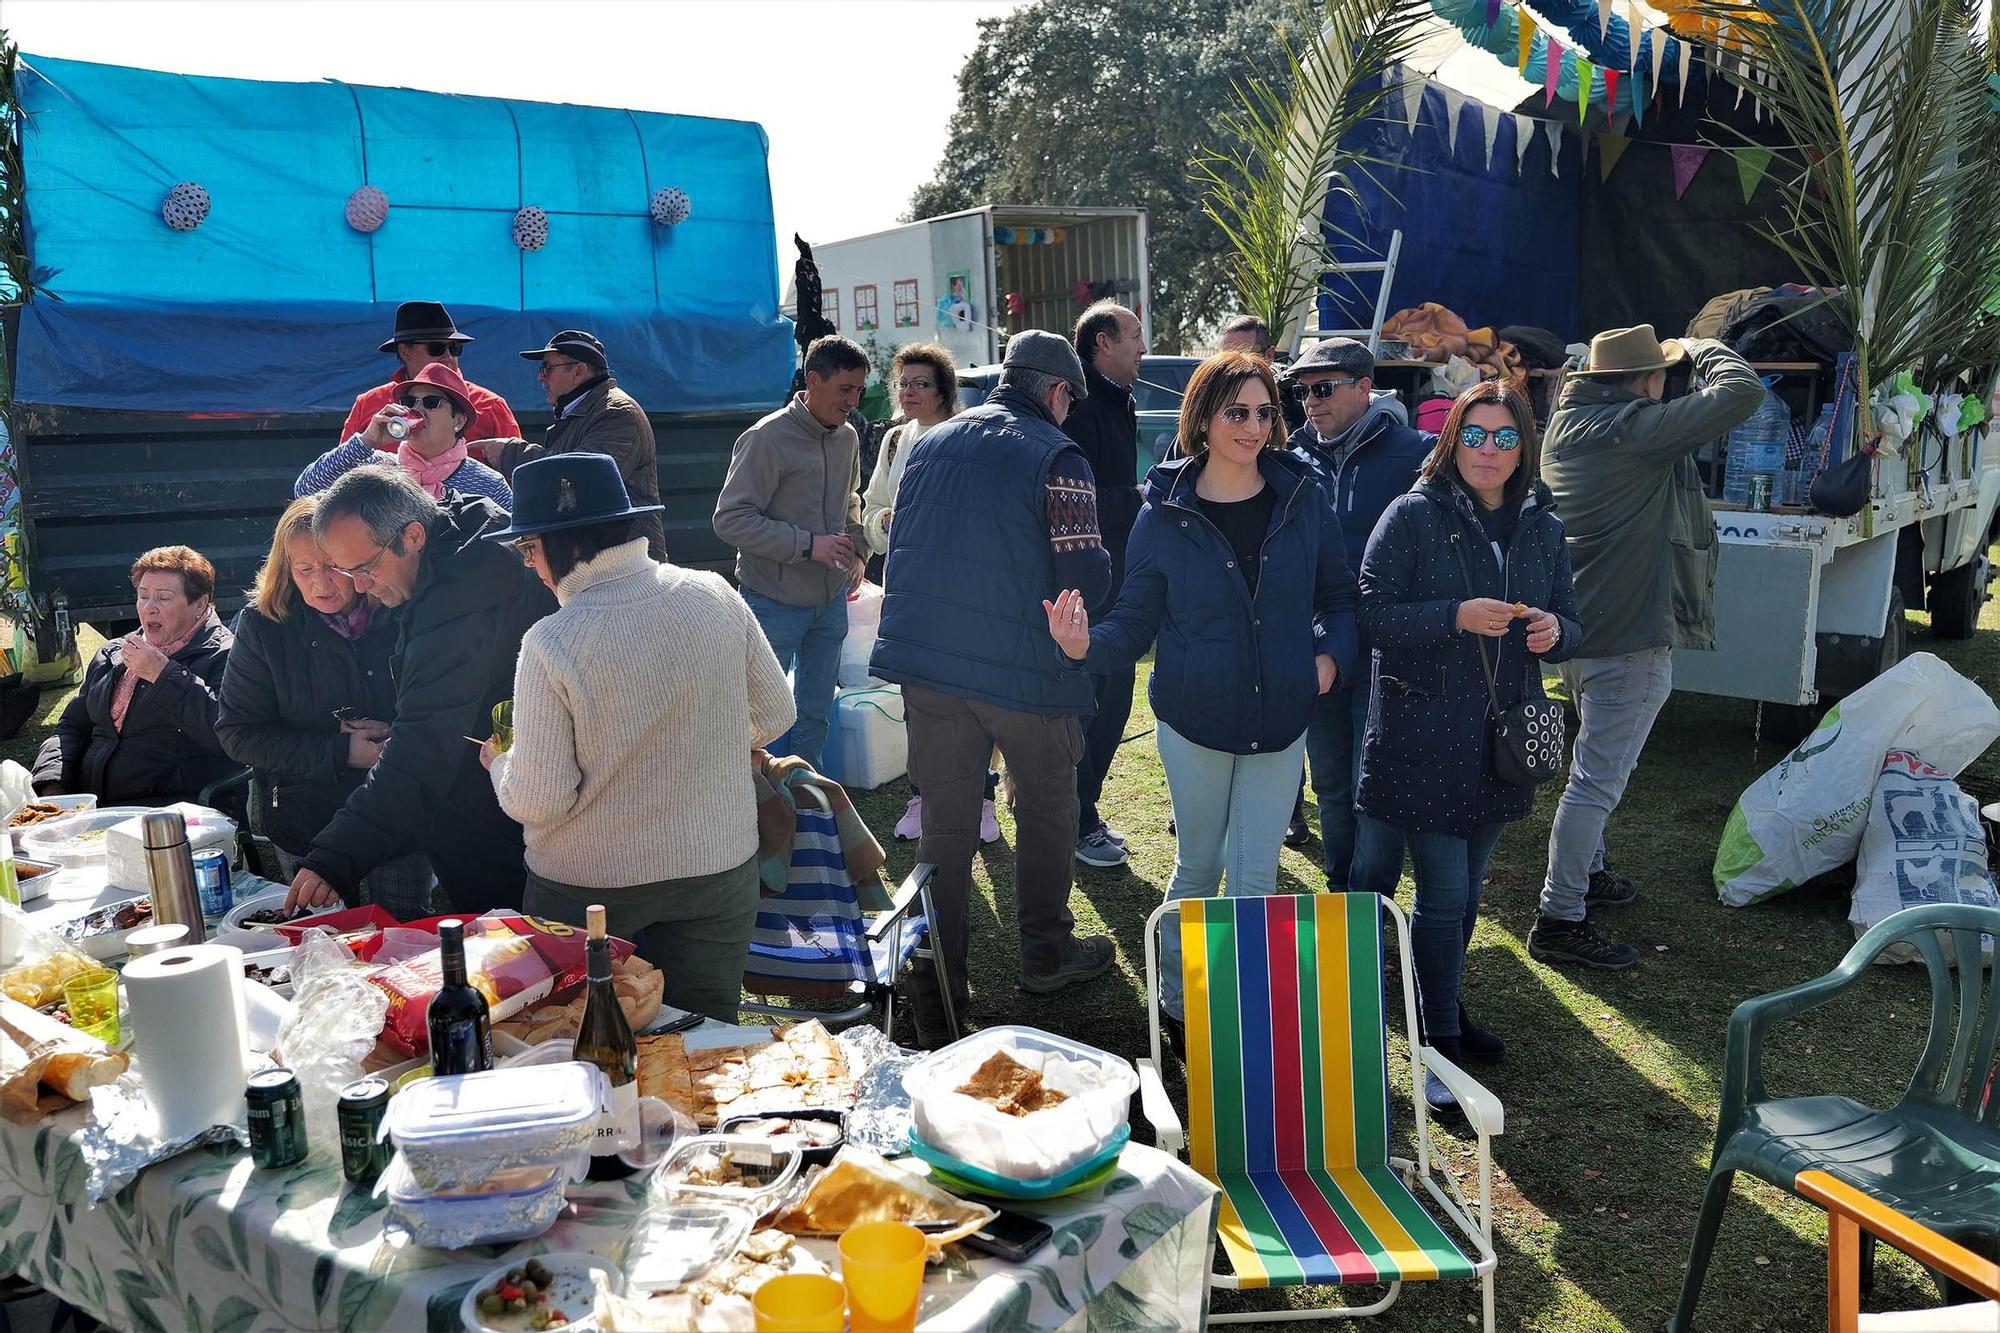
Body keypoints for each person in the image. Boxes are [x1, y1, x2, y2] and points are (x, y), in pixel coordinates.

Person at [1044, 350, 1359, 1042]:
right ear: (1204, 418)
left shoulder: (1303, 497)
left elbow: (1337, 596)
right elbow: (1133, 620)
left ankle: (1246, 1015)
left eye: (1264, 412)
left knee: (1257, 868)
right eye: (1236, 411)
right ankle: (1180, 1005)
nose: (1252, 426)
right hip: (1195, 719)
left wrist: (1330, 659)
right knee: (1202, 862)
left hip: (1281, 716)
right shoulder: (1164, 513)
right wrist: (1082, 646)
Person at [477, 453, 795, 1022]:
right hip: (717, 864)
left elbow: (540, 800)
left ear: (560, 545)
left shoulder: (553, 640)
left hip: (589, 885)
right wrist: (702, 735)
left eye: (527, 547)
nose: (529, 564)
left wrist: (500, 763)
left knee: (588, 1043)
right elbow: (774, 714)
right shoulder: (715, 594)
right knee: (708, 1044)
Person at [871, 329, 1119, 1044]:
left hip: (931, 666)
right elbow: (1084, 576)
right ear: (1056, 391)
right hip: (1024, 672)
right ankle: (1046, 953)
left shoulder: (934, 442)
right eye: (1070, 397)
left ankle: (943, 969)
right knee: (1047, 811)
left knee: (944, 823)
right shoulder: (1056, 453)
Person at [1348, 380, 1581, 1114]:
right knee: (1445, 892)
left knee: (1469, 890)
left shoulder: (1542, 524)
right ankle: (1437, 1046)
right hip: (1423, 734)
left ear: (1525, 445)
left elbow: (1574, 619)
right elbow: (1373, 612)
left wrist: (1555, 632)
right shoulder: (1414, 514)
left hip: (1501, 735)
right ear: (1453, 440)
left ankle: (1440, 1006)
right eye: (1475, 435)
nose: (1489, 450)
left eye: (1505, 437)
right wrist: (1455, 614)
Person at [1531, 326, 1764, 970]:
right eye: (1664, 374)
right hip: (1627, 633)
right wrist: (1703, 347)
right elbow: (1743, 393)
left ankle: (1589, 874)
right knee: (1595, 784)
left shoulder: (1567, 425)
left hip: (1579, 627)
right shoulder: (1634, 430)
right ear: (1646, 381)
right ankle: (1560, 915)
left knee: (1586, 770)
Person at [283, 466, 556, 916]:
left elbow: (422, 748)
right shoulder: (460, 541)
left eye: (366, 567)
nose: (358, 586)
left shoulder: (457, 604)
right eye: (344, 570)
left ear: (412, 536)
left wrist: (334, 858)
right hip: (505, 797)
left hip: (509, 824)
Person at [216, 497, 435, 919]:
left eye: (333, 566)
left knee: (406, 933)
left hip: (397, 809)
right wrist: (339, 751)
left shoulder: (399, 610)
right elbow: (238, 733)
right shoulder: (264, 626)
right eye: (305, 569)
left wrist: (396, 733)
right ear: (285, 570)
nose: (322, 583)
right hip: (305, 817)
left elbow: (430, 701)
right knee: (322, 941)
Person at [1285, 337, 1432, 882]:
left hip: (1387, 647)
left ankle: (1369, 903)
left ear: (1366, 388)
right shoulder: (1290, 458)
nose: (1311, 402)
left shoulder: (1418, 452)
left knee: (1375, 779)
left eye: (1323, 389)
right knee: (1328, 778)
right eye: (1302, 392)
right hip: (1318, 643)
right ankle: (1341, 891)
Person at [858, 343, 997, 844]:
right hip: (907, 592)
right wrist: (882, 524)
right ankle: (923, 796)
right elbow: (871, 508)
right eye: (904, 382)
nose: (909, 391)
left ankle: (981, 799)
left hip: (961, 593)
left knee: (970, 697)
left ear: (943, 390)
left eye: (920, 382)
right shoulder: (894, 441)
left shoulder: (968, 436)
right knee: (917, 697)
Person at [712, 335, 869, 770]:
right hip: (771, 603)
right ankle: (752, 802)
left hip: (830, 601)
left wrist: (857, 550)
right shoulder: (765, 439)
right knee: (757, 717)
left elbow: (850, 500)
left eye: (859, 390)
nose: (853, 401)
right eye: (845, 389)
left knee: (815, 712)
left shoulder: (848, 438)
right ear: (813, 380)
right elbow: (730, 520)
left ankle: (805, 804)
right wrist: (808, 546)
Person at [33, 547, 234, 806]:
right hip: (93, 808)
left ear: (199, 605)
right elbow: (71, 727)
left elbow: (229, 732)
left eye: (163, 598)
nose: (150, 608)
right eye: (143, 596)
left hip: (174, 814)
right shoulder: (114, 653)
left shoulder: (227, 655)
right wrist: (52, 785)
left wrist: (163, 675)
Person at [1061, 300, 1148, 869]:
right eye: (1134, 335)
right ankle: (1075, 818)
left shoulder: (1118, 399)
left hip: (1114, 574)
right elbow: (1078, 500)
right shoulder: (1082, 405)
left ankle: (1078, 810)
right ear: (1102, 344)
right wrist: (1139, 500)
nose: (1143, 346)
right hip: (1088, 583)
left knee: (1111, 699)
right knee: (1098, 701)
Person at [502, 330, 668, 561]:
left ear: (579, 370)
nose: (541, 377)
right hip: (598, 561)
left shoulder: (616, 413)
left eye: (547, 368)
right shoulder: (582, 412)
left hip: (623, 567)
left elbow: (581, 479)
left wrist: (509, 453)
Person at [298, 362, 513, 509]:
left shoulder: (488, 483)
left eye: (431, 402)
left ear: (458, 420)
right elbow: (306, 489)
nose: (416, 410)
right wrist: (366, 441)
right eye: (409, 403)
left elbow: (517, 549)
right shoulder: (378, 468)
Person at [341, 301, 520, 460]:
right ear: (405, 351)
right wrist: (367, 441)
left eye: (455, 348)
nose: (448, 357)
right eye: (437, 348)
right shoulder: (368, 403)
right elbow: (338, 477)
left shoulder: (491, 406)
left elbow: (517, 476)